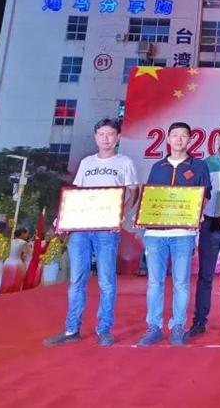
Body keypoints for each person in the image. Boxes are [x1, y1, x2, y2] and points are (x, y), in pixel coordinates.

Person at [44, 118, 139, 347]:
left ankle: (104, 328)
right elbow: (77, 193)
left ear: (117, 137)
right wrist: (63, 216)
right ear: (96, 137)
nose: (106, 138)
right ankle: (71, 329)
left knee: (106, 280)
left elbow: (134, 191)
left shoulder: (125, 162)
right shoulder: (87, 163)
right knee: (77, 279)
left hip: (107, 229)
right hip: (81, 228)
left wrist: (123, 211)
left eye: (110, 134)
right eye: (101, 134)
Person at [138, 122, 211, 346]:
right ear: (168, 139)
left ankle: (178, 326)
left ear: (190, 140)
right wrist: (142, 215)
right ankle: (154, 327)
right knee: (154, 283)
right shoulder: (158, 166)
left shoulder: (198, 166)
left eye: (184, 136)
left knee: (181, 283)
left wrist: (196, 214)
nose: (179, 139)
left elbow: (205, 195)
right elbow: (151, 198)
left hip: (183, 233)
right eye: (175, 135)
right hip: (155, 234)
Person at [186, 123, 220, 342]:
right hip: (209, 225)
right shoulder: (205, 164)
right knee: (205, 275)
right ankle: (199, 320)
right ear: (218, 138)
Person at [0, 227, 32, 293]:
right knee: (15, 282)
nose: (27, 235)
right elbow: (28, 256)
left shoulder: (10, 241)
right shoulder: (24, 243)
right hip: (17, 264)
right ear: (22, 234)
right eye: (26, 233)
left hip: (7, 263)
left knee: (6, 281)